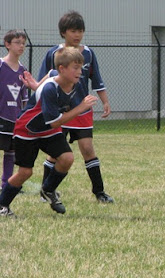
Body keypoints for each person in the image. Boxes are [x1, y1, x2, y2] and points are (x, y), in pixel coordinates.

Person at [0, 47, 97, 217]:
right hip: (28, 130)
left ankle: (48, 190)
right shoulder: (51, 89)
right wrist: (81, 107)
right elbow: (55, 122)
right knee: (25, 172)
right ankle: (2, 205)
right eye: (75, 67)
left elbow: (51, 71)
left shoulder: (69, 81)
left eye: (80, 67)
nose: (79, 72)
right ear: (63, 69)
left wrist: (35, 85)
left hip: (46, 130)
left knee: (67, 158)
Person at [37, 10, 114, 203]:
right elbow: (42, 82)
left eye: (80, 30)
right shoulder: (54, 53)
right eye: (73, 30)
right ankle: (46, 191)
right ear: (63, 32)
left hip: (82, 110)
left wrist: (104, 101)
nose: (77, 35)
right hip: (59, 112)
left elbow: (96, 79)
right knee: (55, 154)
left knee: (88, 149)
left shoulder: (87, 53)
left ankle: (99, 192)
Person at [0, 30, 29, 190]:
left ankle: (7, 184)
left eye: (23, 43)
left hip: (14, 118)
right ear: (8, 44)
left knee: (11, 151)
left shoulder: (22, 71)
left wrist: (23, 116)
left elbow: (23, 99)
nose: (21, 46)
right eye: (17, 42)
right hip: (1, 116)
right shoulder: (1, 65)